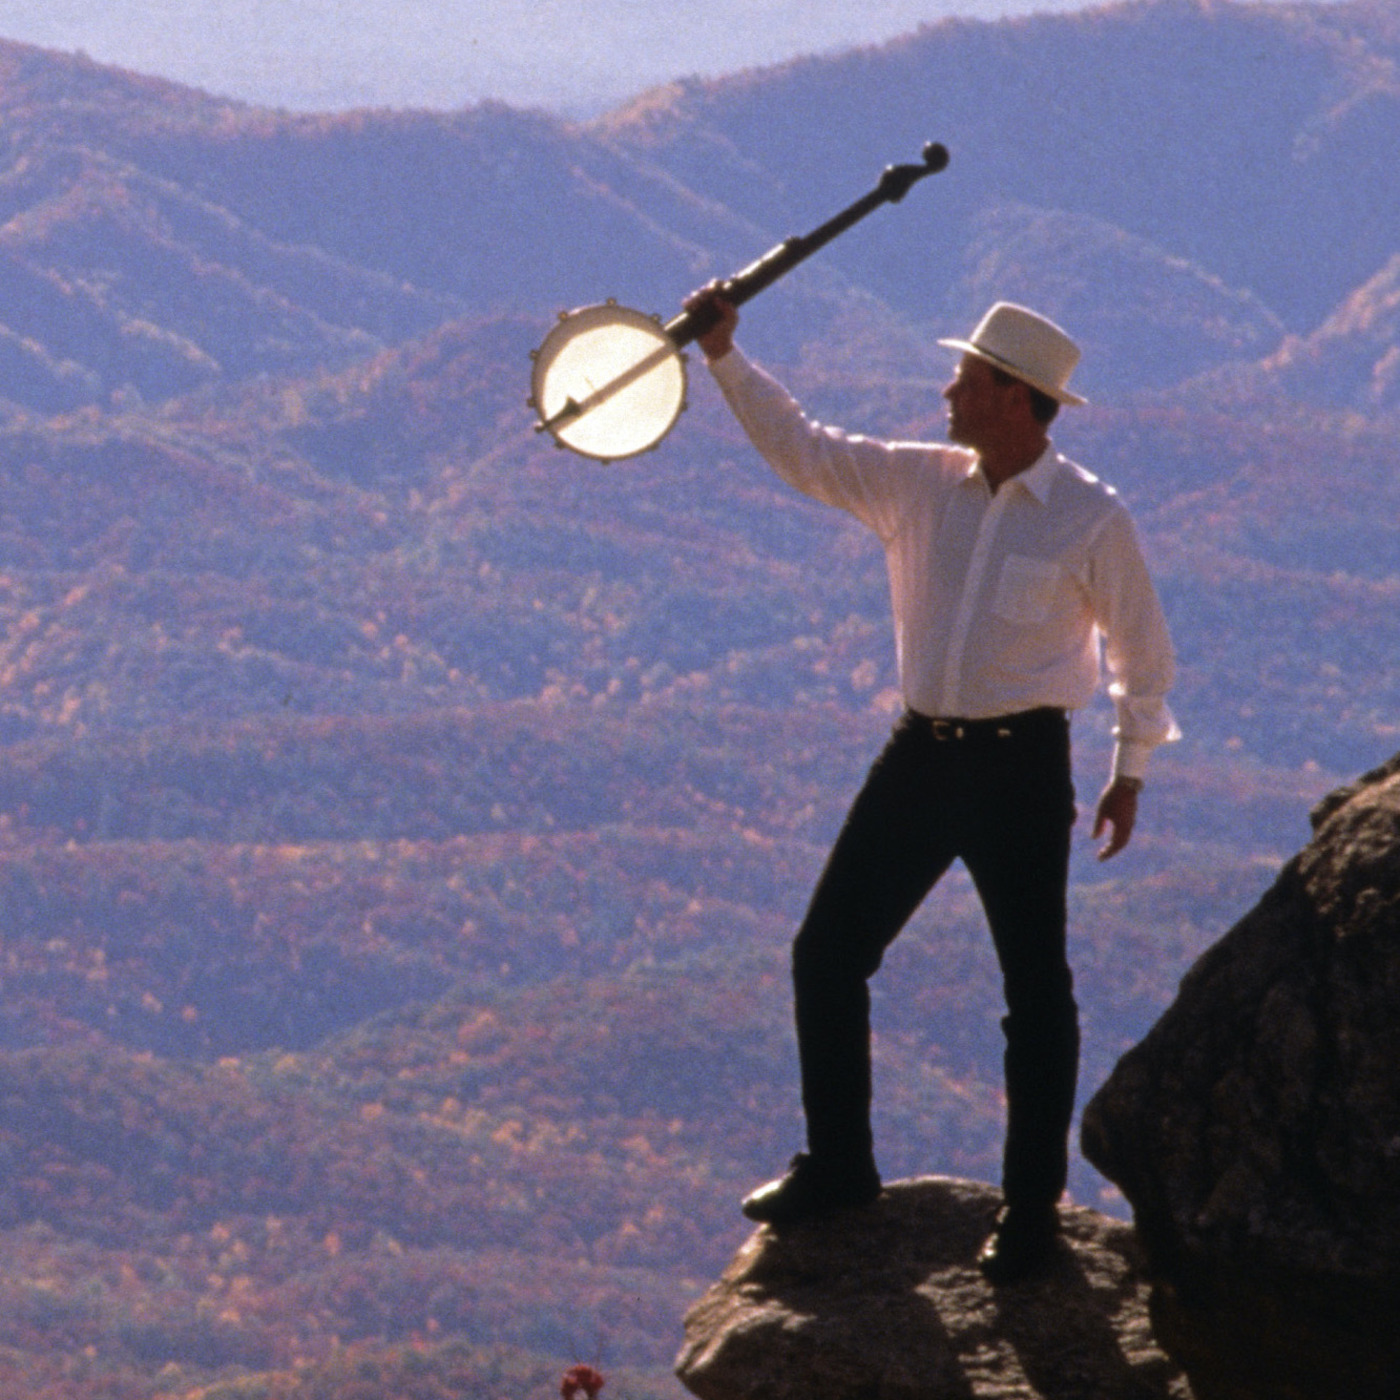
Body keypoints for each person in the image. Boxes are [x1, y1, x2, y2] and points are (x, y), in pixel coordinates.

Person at [685, 289, 1178, 1283]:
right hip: (919, 754)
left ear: (1010, 397)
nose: (945, 386)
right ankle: (838, 1166)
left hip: (1020, 766)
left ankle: (1029, 1212)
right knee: (826, 952)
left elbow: (1141, 655)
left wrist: (1127, 773)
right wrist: (724, 359)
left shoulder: (1090, 517)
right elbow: (803, 448)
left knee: (1033, 995)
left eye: (964, 375)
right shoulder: (917, 481)